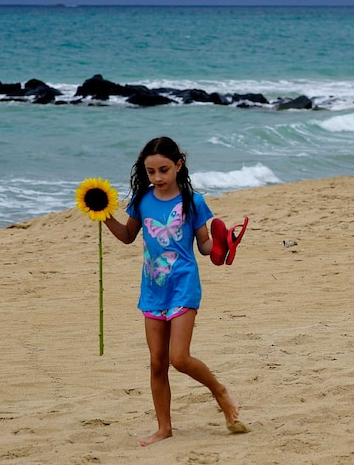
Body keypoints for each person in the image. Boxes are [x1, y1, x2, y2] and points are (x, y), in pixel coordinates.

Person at [103, 136, 247, 446]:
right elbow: (128, 236)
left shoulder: (192, 202)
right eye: (151, 172)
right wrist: (103, 215)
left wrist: (223, 248)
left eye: (163, 170)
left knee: (179, 358)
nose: (157, 177)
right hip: (153, 289)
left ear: (178, 165)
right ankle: (164, 428)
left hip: (183, 284)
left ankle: (220, 392)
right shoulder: (142, 200)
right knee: (157, 362)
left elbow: (206, 246)